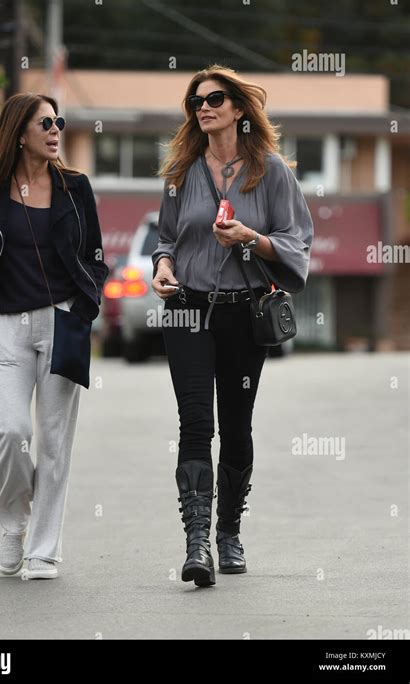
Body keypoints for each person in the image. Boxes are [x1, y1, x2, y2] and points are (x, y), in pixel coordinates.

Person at [152, 65, 313, 587]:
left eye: (215, 98)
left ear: (239, 109)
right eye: (196, 100)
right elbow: (167, 237)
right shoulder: (182, 171)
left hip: (245, 313)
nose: (204, 106)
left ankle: (228, 531)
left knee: (237, 426)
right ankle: (197, 543)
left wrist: (249, 238)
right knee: (196, 423)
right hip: (187, 309)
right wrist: (162, 266)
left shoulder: (269, 172)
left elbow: (295, 240)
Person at [0, 93, 108, 579]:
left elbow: (96, 256)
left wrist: (85, 306)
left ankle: (43, 550)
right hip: (6, 326)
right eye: (46, 123)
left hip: (63, 320)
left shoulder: (76, 187)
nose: (56, 129)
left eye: (59, 121)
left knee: (55, 442)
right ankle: (13, 526)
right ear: (20, 133)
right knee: (13, 431)